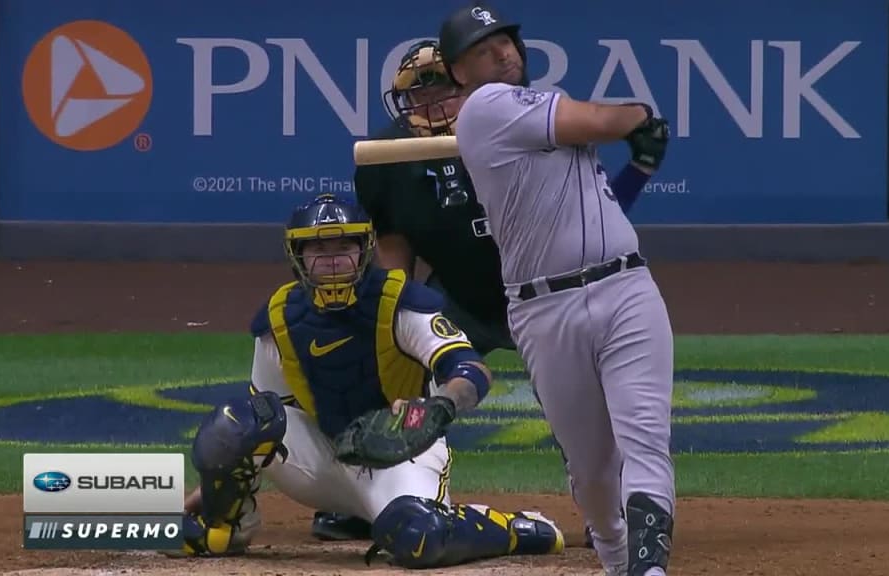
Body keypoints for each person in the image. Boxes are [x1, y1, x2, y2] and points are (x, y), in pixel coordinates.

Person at [308, 39, 669, 546]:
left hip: (544, 293)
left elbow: (591, 217)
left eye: (443, 94)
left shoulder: (518, 126)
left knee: (587, 411)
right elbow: (395, 253)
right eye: (419, 97)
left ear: (470, 90)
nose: (432, 107)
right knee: (401, 385)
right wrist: (397, 326)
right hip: (463, 296)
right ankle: (372, 497)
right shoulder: (386, 161)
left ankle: (606, 514)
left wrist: (640, 170)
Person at [175, 193, 565, 568]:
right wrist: (208, 494)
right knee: (235, 421)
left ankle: (514, 529)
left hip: (400, 453)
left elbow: (469, 371)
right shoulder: (278, 320)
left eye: (344, 247)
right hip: (323, 459)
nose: (332, 261)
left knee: (420, 537)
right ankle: (224, 528)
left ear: (365, 250)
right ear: (298, 256)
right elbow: (261, 419)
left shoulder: (401, 303)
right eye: (318, 250)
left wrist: (440, 404)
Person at [439, 4, 676, 576]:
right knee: (591, 470)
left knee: (644, 440)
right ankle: (617, 558)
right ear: (459, 73)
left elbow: (594, 209)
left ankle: (648, 570)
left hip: (626, 287)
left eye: (506, 42)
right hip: (545, 308)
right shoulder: (487, 109)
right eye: (483, 49)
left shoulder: (540, 109)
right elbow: (602, 122)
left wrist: (638, 170)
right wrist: (640, 113)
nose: (503, 53)